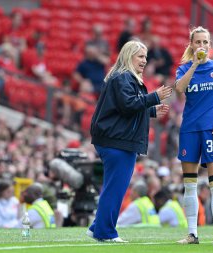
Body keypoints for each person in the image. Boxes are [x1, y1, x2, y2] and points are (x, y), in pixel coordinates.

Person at [86, 40, 172, 243]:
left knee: (112, 187)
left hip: (116, 139)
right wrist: (154, 98)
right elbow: (127, 105)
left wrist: (151, 111)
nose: (144, 60)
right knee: (115, 188)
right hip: (117, 141)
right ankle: (105, 233)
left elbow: (123, 108)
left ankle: (98, 227)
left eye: (145, 56)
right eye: (140, 56)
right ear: (128, 56)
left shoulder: (123, 77)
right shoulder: (124, 77)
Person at [174, 26, 213, 246]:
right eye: (197, 42)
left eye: (205, 42)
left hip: (212, 130)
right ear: (191, 45)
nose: (201, 46)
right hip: (189, 129)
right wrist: (195, 64)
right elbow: (179, 89)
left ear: (210, 44)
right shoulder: (184, 69)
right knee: (190, 185)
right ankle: (192, 234)